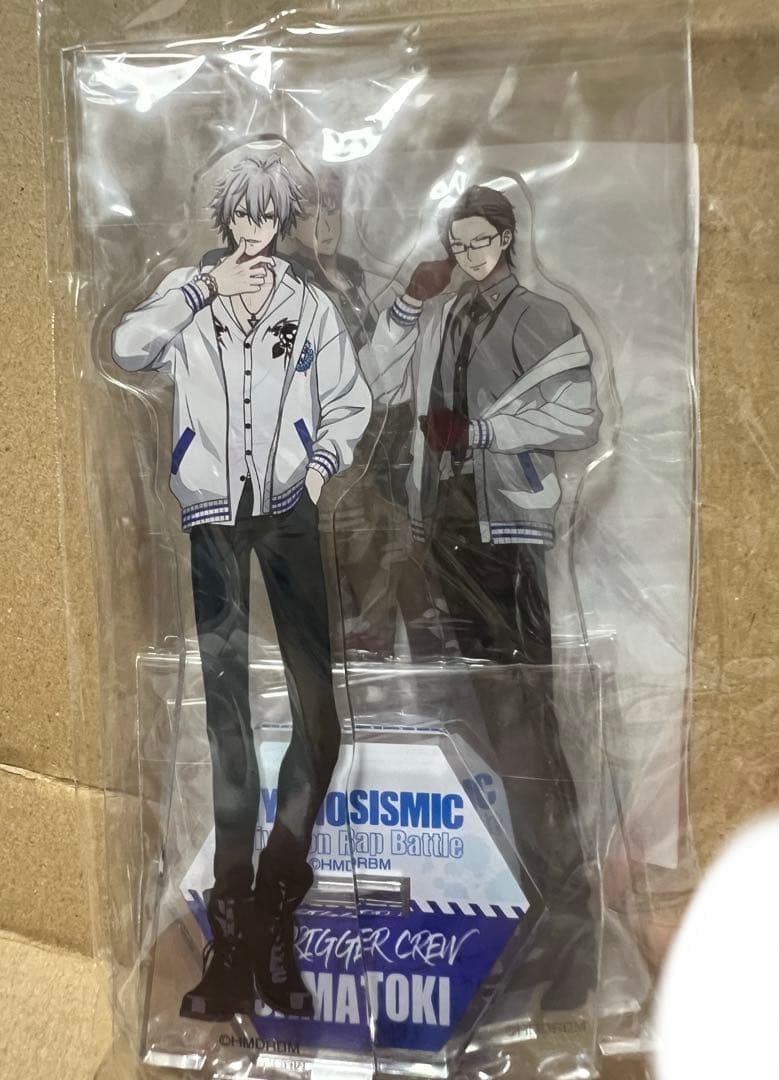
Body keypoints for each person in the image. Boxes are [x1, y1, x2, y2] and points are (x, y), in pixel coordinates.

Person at [112, 156, 371, 1022]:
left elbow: (350, 400)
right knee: (228, 724)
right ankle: (233, 940)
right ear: (225, 217)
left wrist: (318, 471)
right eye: (243, 215)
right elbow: (126, 348)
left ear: (283, 219)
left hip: (291, 515)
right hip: (213, 521)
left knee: (318, 719)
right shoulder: (190, 292)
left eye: (269, 216)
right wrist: (200, 291)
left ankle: (269, 912)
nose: (256, 229)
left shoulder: (308, 303)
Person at [371, 184, 602, 1008]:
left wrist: (483, 432)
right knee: (462, 727)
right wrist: (407, 302)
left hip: (505, 537)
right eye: (457, 243)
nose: (468, 255)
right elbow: (371, 381)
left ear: (505, 237)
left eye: (480, 241)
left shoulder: (539, 315)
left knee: (525, 722)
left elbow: (580, 415)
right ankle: (505, 907)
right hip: (438, 534)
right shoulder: (440, 317)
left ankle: (564, 923)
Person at [284, 167, 438, 660]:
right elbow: (348, 377)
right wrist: (409, 304)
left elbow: (381, 377)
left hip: (383, 452)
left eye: (331, 207)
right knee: (353, 583)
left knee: (400, 569)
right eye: (308, 212)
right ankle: (359, 672)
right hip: (333, 460)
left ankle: (411, 668)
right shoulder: (286, 288)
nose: (324, 223)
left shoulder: (353, 279)